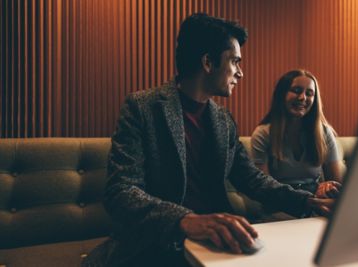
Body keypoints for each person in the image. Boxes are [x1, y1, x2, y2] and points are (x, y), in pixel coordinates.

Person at [84, 14, 338, 267]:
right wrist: (185, 220)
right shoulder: (142, 107)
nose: (240, 72)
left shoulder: (222, 119)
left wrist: (305, 201)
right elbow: (121, 190)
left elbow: (251, 178)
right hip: (158, 243)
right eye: (235, 61)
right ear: (208, 62)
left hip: (218, 242)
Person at [251, 69, 343, 198]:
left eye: (309, 93)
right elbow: (265, 189)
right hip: (279, 206)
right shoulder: (262, 134)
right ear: (281, 95)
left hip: (317, 203)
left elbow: (337, 183)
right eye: (296, 91)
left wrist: (327, 187)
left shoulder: (325, 132)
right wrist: (306, 201)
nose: (302, 98)